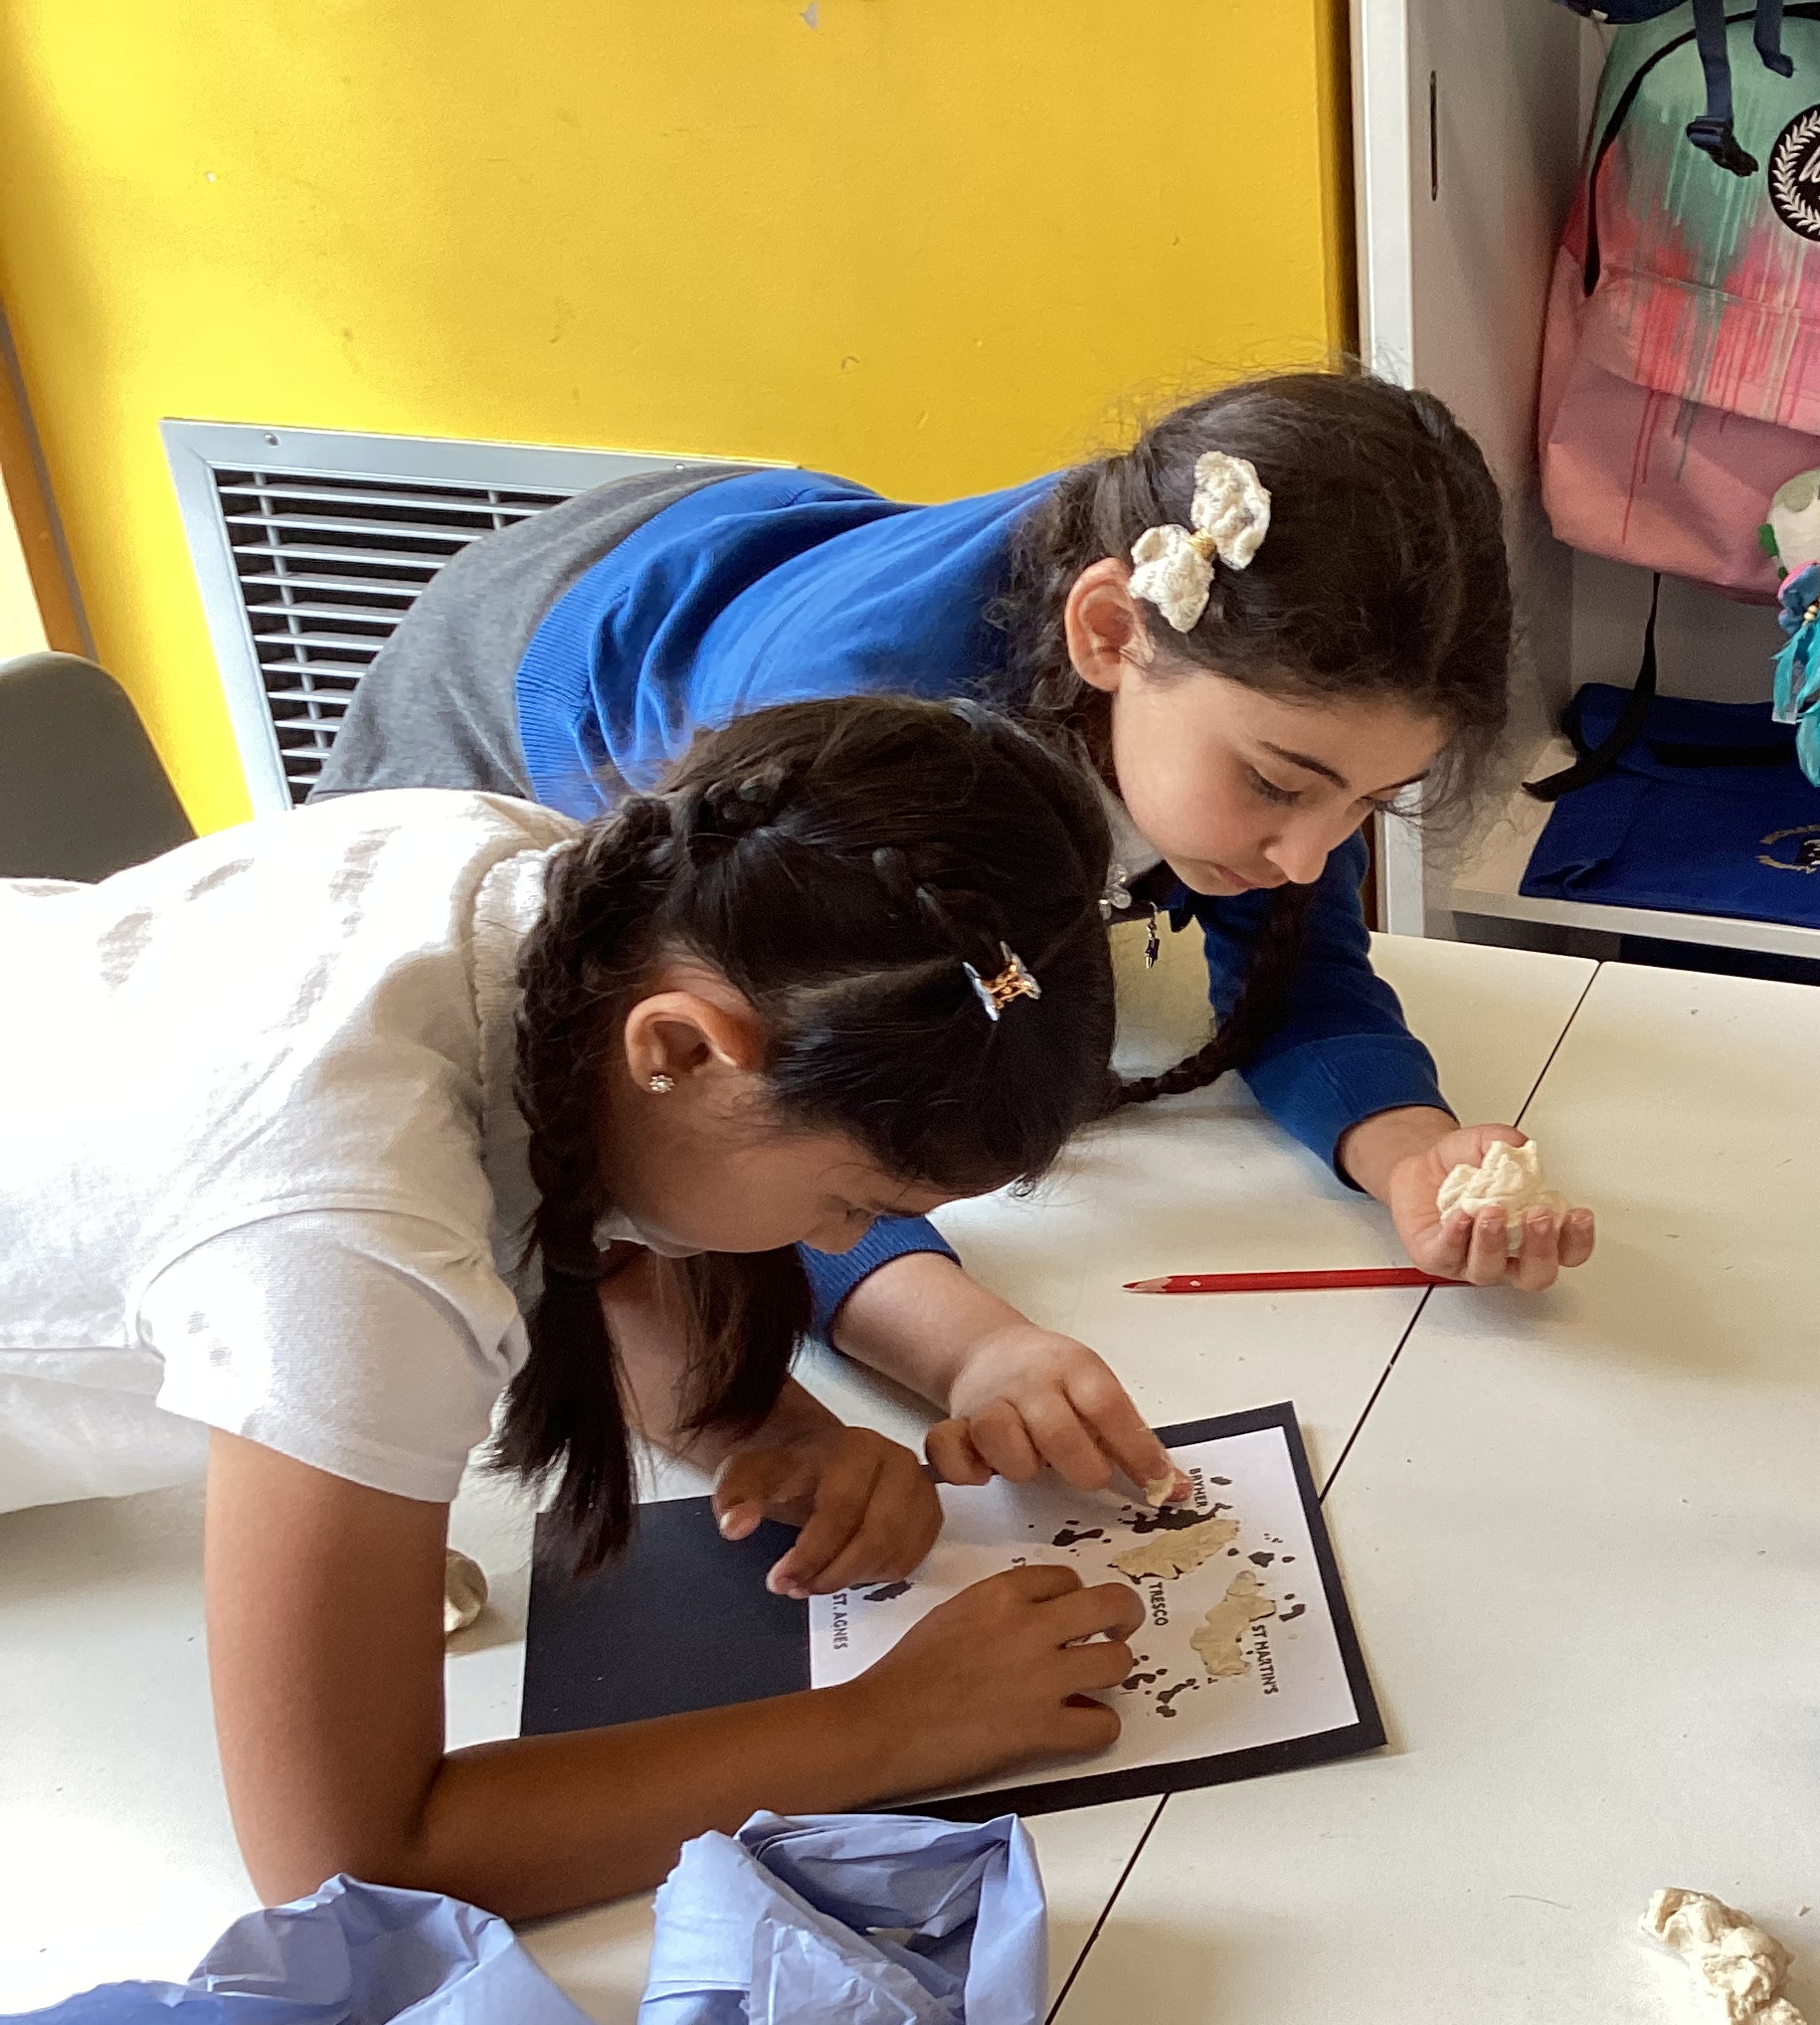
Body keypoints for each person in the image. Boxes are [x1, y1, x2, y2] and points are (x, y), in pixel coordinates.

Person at [2, 696, 1175, 1920]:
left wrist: (772, 1431)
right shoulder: (351, 1235)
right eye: (849, 1202)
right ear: (683, 1049)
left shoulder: (583, 890)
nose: (836, 1244)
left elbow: (584, 1210)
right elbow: (348, 1861)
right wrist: (892, 1728)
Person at [314, 373, 1596, 1450]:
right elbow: (760, 1123)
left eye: (1372, 800)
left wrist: (1410, 1148)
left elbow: (1294, 961)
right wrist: (964, 1344)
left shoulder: (1234, 660)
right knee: (479, 1149)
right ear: (1108, 632)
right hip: (516, 678)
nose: (1313, 855)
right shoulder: (854, 730)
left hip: (770, 553)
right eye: (1277, 785)